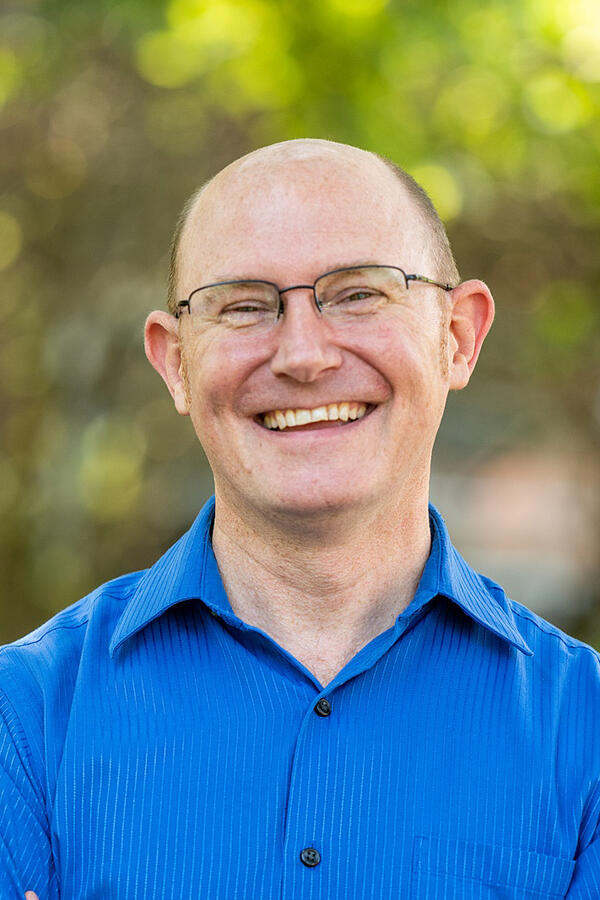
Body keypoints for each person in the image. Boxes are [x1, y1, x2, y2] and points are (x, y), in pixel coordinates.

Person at [4, 139, 600, 899]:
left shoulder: (586, 738)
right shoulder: (21, 719)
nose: (303, 355)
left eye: (359, 293)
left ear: (458, 337)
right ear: (175, 363)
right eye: (244, 306)